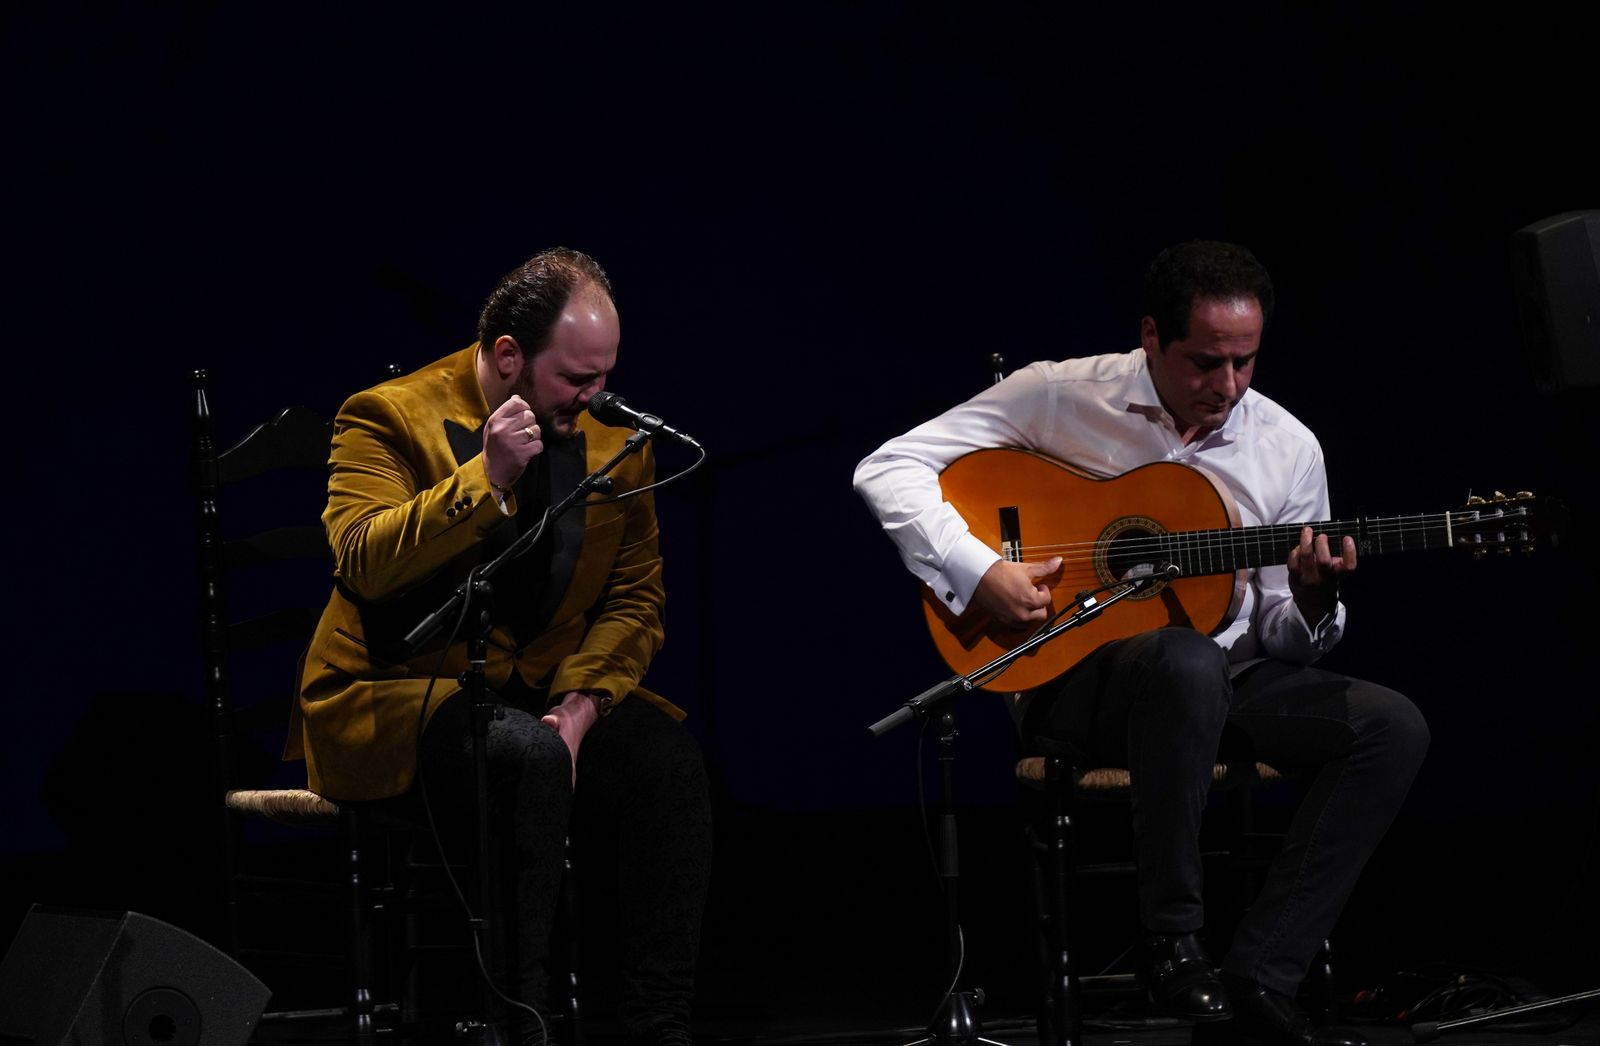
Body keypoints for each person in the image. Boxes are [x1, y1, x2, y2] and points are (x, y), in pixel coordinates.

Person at [852, 241, 1429, 1046]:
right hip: (1079, 685)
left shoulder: (1289, 447)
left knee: (1390, 726)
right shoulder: (1058, 395)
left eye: (1245, 362)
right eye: (1206, 363)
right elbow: (889, 467)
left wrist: (1311, 597)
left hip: (1225, 683)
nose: (1228, 386)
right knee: (1183, 659)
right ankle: (1173, 943)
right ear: (1152, 336)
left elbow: (1282, 637)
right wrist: (981, 570)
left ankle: (1262, 975)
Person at [288, 247, 712, 1046]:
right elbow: (362, 563)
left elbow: (634, 598)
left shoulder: (614, 442)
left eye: (605, 375)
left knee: (664, 762)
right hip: (399, 691)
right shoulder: (386, 416)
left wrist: (581, 708)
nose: (597, 397)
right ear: (509, 356)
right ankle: (518, 1023)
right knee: (527, 761)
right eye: (576, 379)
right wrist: (484, 478)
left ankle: (660, 1026)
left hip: (537, 689)